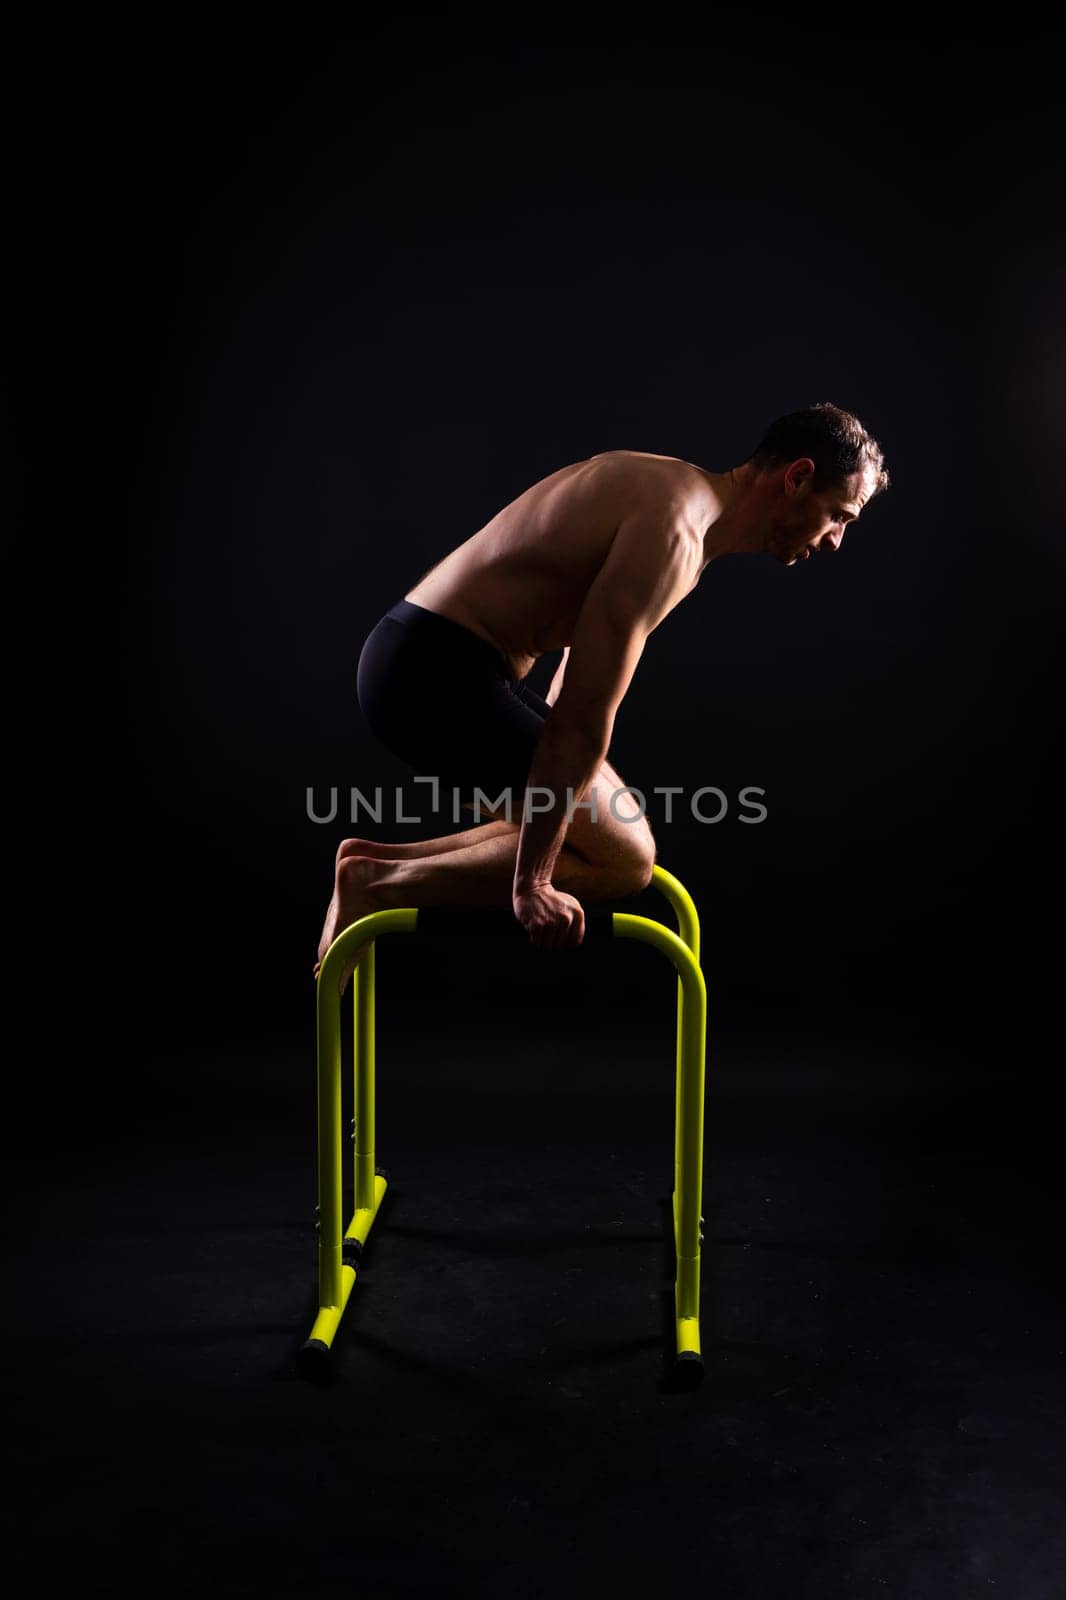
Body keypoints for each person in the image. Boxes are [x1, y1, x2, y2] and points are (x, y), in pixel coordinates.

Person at [316, 401, 889, 986]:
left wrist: (568, 805)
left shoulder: (680, 501)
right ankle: (380, 886)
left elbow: (574, 679)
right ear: (796, 478)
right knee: (626, 857)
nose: (837, 539)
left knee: (597, 821)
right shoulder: (674, 531)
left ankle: (376, 867)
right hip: (430, 676)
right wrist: (532, 881)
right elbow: (585, 719)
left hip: (433, 659)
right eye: (839, 514)